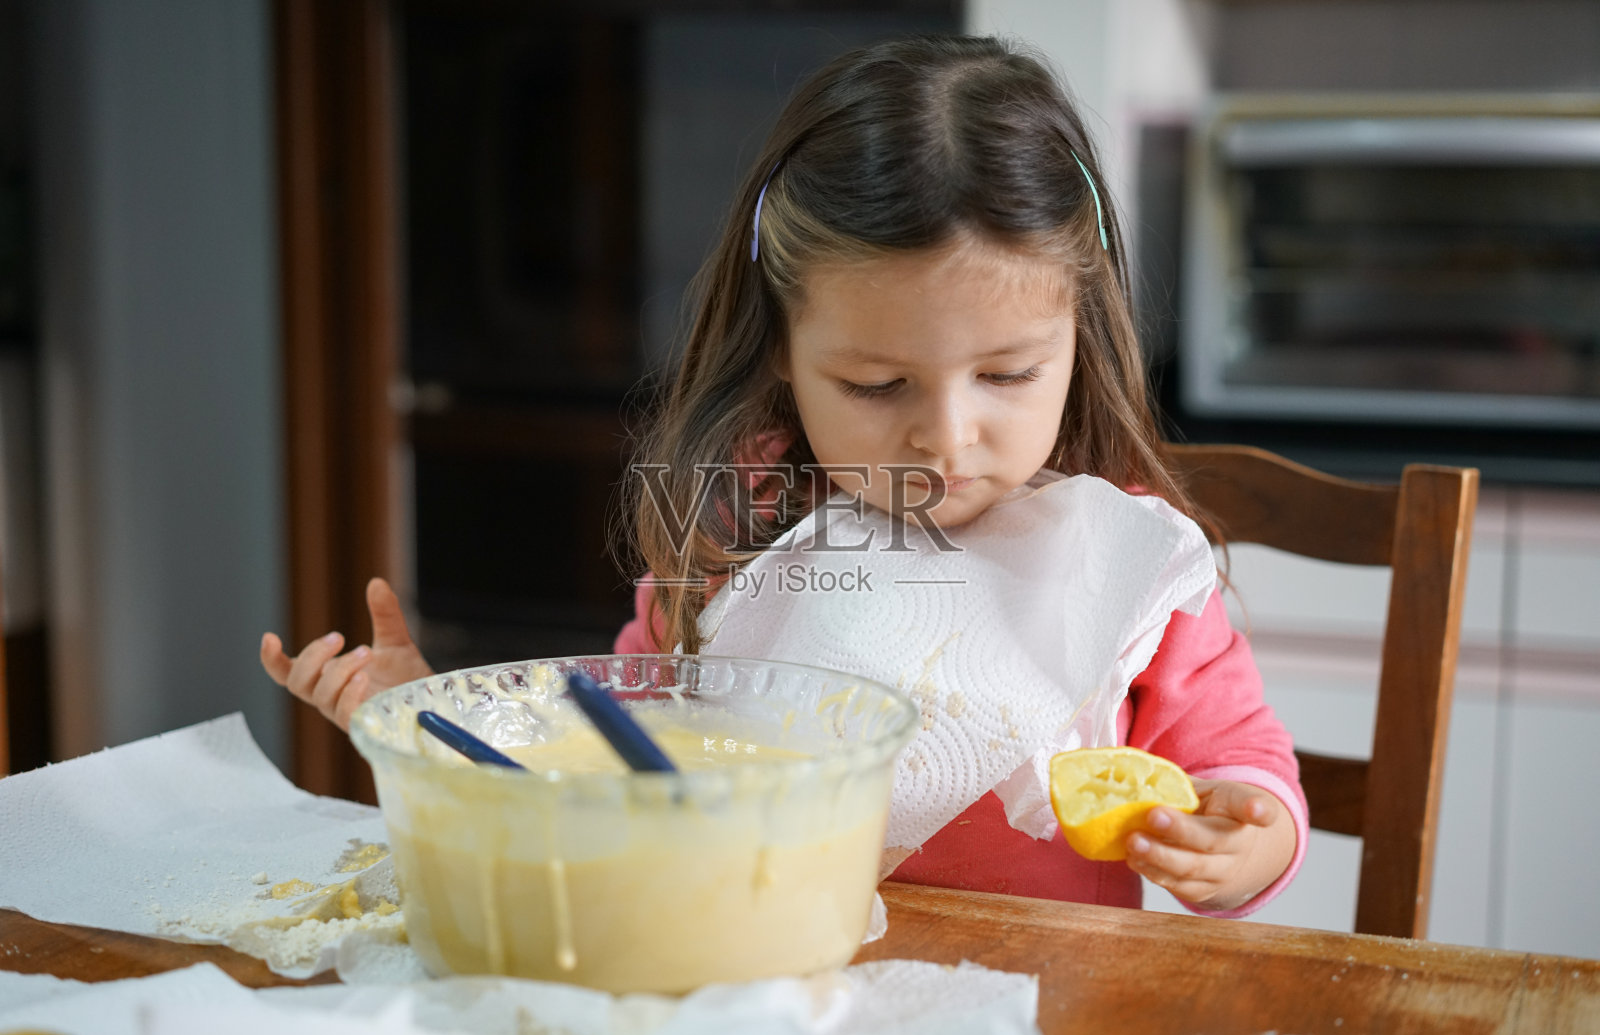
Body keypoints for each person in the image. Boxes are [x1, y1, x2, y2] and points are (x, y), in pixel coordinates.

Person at [262, 34, 1305, 918]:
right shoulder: (735, 529)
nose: (945, 438)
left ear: (1079, 338)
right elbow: (635, 752)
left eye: (1008, 374)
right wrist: (440, 719)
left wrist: (1240, 839)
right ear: (781, 352)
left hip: (1038, 1005)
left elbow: (1239, 760)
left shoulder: (1123, 563)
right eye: (878, 382)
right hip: (763, 975)